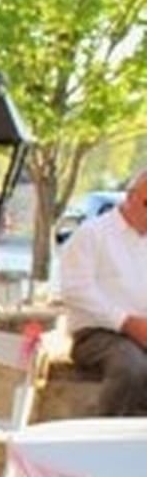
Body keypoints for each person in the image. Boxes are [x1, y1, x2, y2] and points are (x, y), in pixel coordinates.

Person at [57, 169, 147, 417]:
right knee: (131, 367)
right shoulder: (92, 234)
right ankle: (104, 443)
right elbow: (76, 290)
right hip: (97, 333)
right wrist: (126, 322)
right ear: (129, 197)